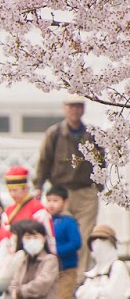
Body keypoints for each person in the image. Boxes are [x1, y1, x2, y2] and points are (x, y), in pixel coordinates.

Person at [37, 95, 101, 239]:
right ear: (64, 108)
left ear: (83, 109)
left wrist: (99, 187)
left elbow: (101, 162)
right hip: (61, 190)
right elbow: (44, 160)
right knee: (61, 234)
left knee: (85, 235)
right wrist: (39, 186)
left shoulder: (92, 134)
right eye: (71, 106)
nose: (75, 110)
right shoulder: (54, 133)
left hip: (86, 192)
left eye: (78, 106)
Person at [0, 219, 60, 299]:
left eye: (36, 237)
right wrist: (14, 290)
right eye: (28, 237)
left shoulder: (50, 260)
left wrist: (19, 292)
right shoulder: (23, 261)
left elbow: (41, 284)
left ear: (44, 238)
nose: (32, 240)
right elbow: (14, 282)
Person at [45, 185, 83, 299]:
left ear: (65, 202)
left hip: (67, 269)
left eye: (55, 200)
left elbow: (76, 243)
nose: (51, 204)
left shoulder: (68, 221)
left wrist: (57, 252)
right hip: (51, 270)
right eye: (49, 200)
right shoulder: (46, 220)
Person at [77, 226, 129, 299]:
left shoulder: (118, 267)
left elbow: (114, 297)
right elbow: (82, 298)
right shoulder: (92, 273)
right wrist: (100, 294)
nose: (98, 247)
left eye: (102, 242)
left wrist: (92, 296)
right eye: (94, 243)